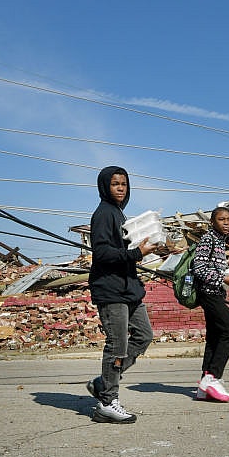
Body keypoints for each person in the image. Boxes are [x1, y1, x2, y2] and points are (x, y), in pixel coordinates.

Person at [86, 166, 156, 424]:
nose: (120, 188)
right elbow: (102, 253)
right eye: (115, 183)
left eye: (124, 184)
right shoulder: (104, 214)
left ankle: (104, 382)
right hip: (111, 290)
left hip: (128, 289)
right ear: (105, 186)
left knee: (144, 335)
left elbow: (123, 250)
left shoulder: (118, 213)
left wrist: (146, 249)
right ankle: (107, 402)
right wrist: (138, 254)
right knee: (117, 346)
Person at [191, 206, 229, 402]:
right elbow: (199, 268)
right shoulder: (208, 239)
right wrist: (224, 278)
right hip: (209, 294)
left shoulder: (220, 241)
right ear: (213, 222)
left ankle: (204, 386)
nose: (226, 223)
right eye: (222, 219)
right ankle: (213, 377)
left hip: (215, 293)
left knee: (214, 337)